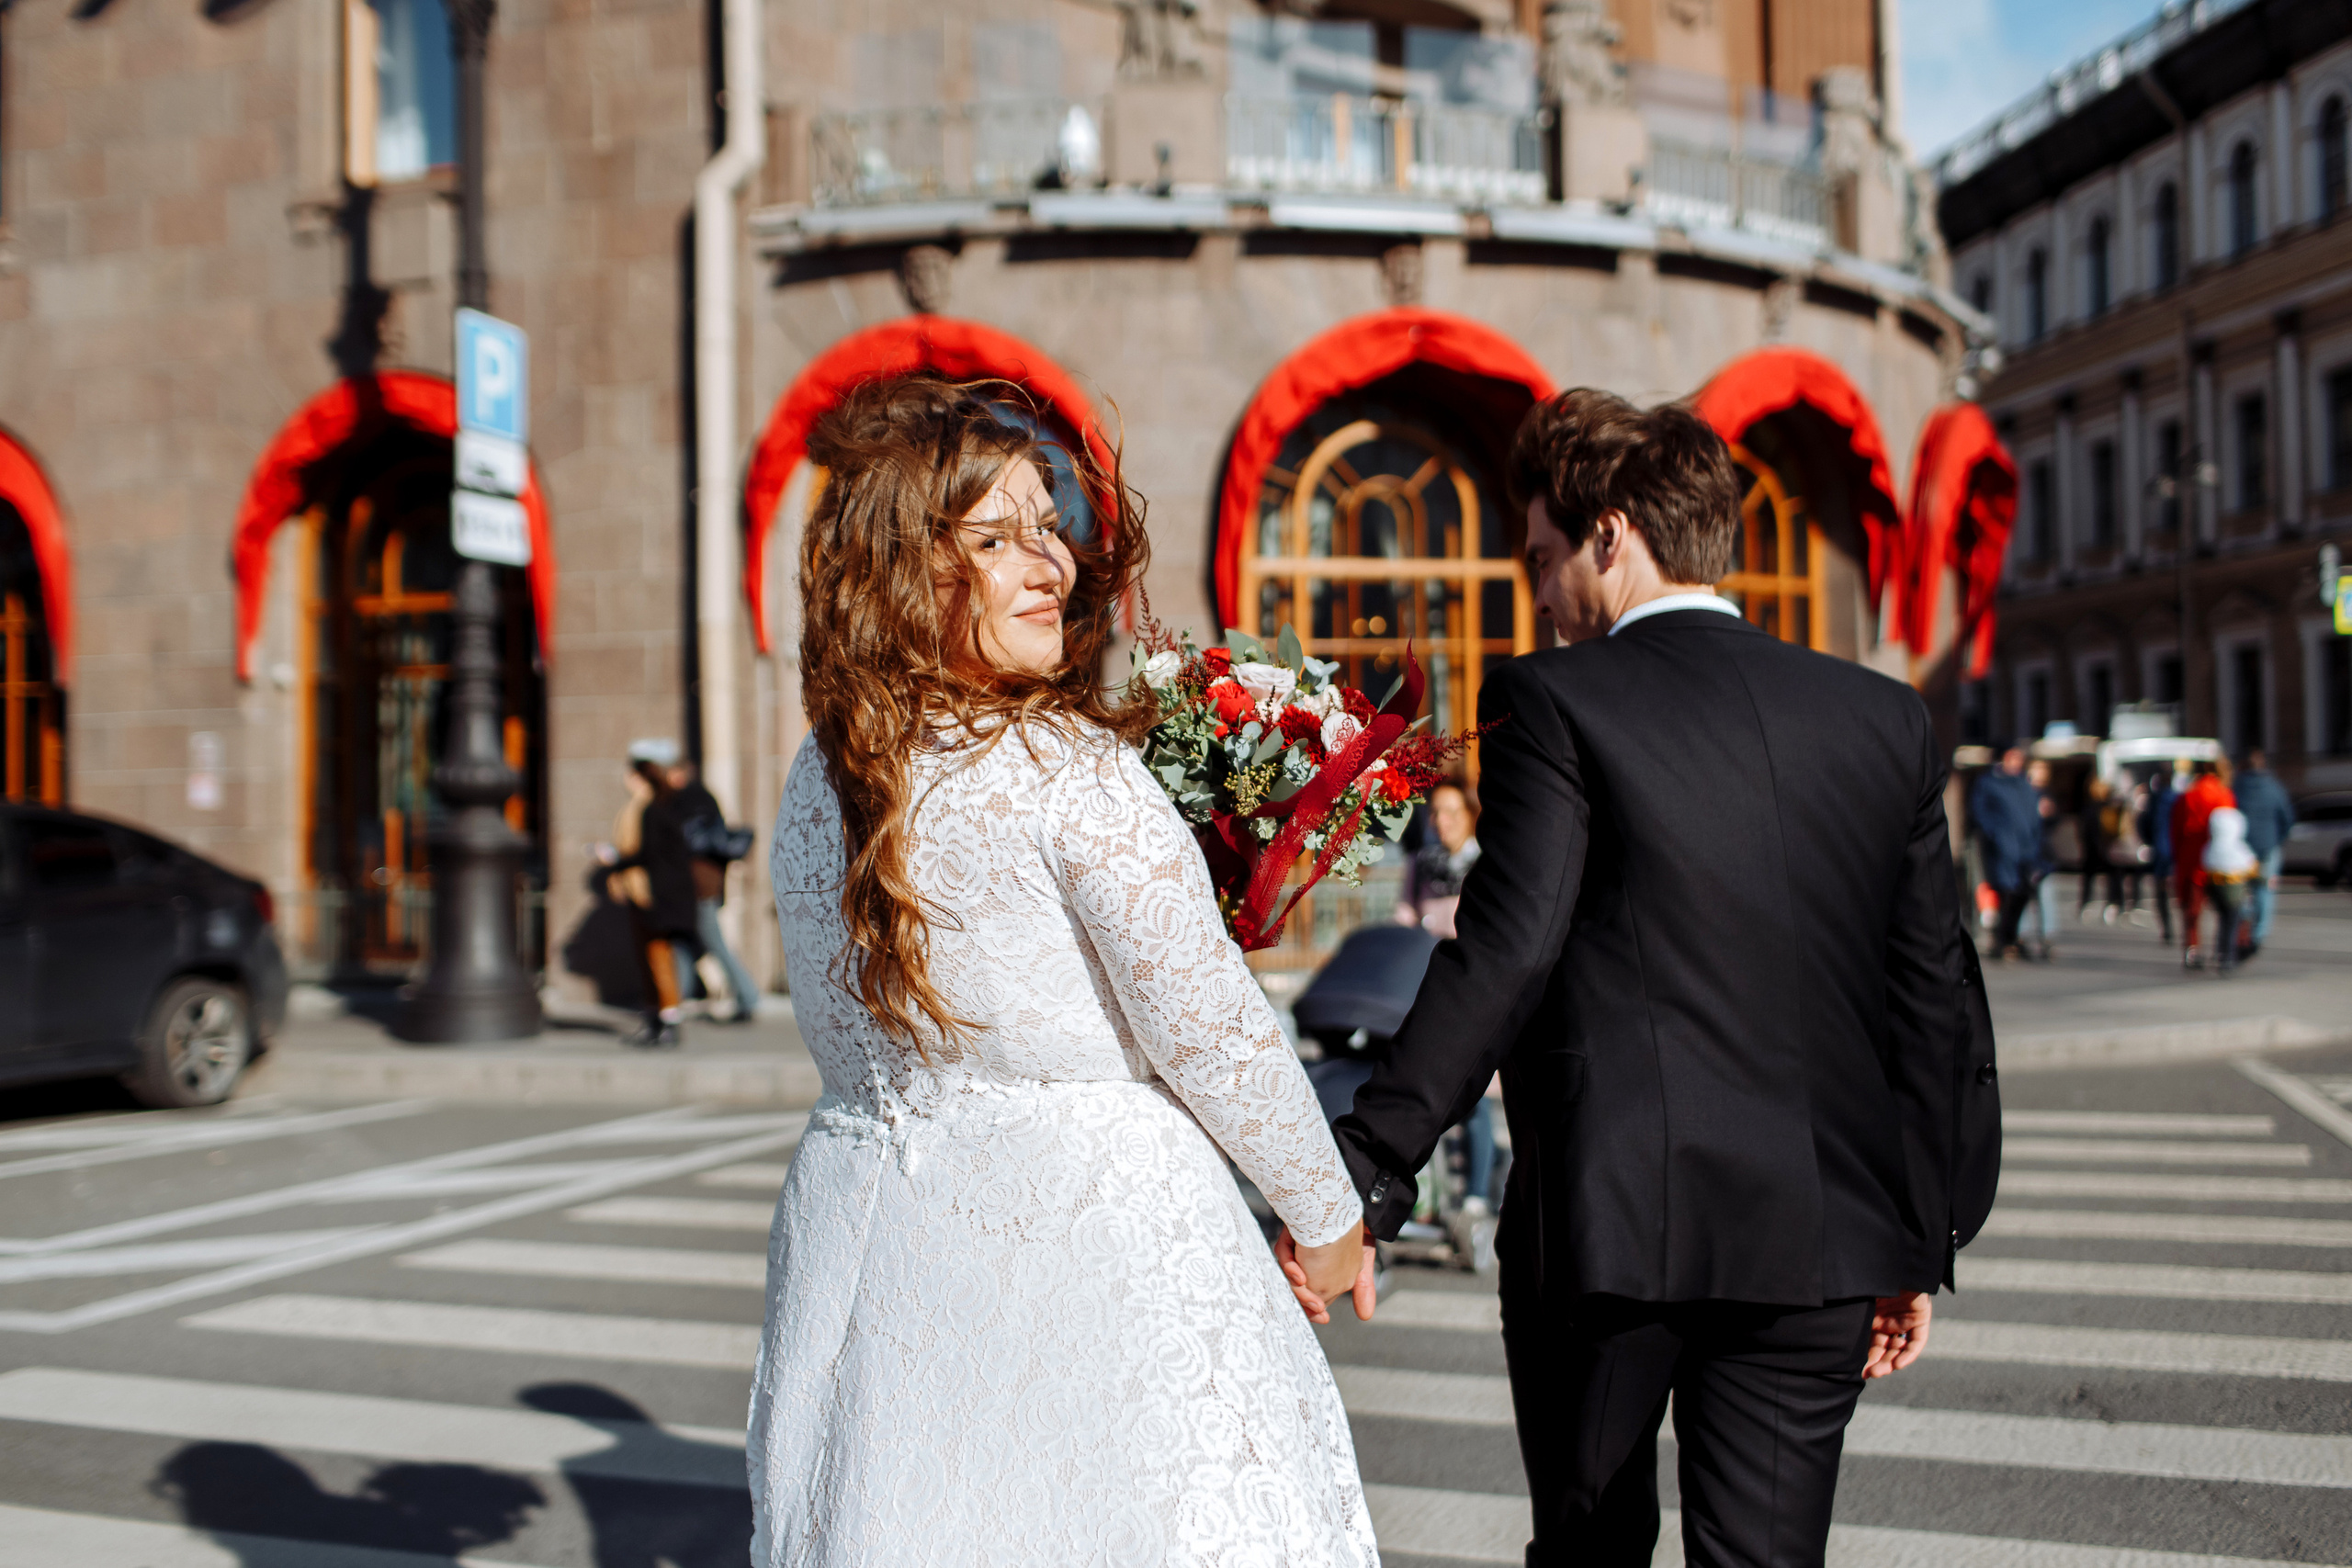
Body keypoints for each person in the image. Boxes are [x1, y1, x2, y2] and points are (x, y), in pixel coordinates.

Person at [1322, 389, 2000, 1568]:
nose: (1539, 594)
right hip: (1820, 1242)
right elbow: (1931, 994)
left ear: (1612, 535)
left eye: (1542, 558)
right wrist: (1918, 1232)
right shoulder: (1883, 719)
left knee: (1590, 1552)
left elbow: (1508, 950)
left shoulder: (1552, 698)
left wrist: (1367, 1167)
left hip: (1609, 1232)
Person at [750, 375, 1377, 1566]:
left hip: (868, 1241)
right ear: (900, 568)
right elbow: (1213, 1030)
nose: (1049, 564)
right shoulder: (1063, 767)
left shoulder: (820, 772)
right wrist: (1327, 1213)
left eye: (1048, 526)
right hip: (1088, 1258)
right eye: (992, 539)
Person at [1393, 779, 1499, 1221]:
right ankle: (1427, 1197)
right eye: (1435, 812)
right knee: (1426, 1095)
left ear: (1470, 814)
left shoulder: (1488, 862)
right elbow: (1404, 918)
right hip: (1426, 990)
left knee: (1472, 1096)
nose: (1442, 821)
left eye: (1452, 811)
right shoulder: (1422, 864)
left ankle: (1476, 1193)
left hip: (1472, 992)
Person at [598, 741, 695, 1049]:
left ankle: (668, 1021)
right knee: (650, 960)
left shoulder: (649, 809)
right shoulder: (646, 807)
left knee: (659, 959)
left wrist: (615, 860)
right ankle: (657, 1021)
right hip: (646, 892)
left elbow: (645, 852)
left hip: (653, 894)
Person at [664, 760, 760, 1021]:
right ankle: (675, 1002)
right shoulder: (700, 799)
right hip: (700, 884)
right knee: (682, 941)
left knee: (711, 940)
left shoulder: (690, 800)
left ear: (680, 774)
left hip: (698, 886)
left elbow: (686, 842)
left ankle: (748, 995)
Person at [1971, 744, 2043, 960]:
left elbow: (2032, 815)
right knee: (2005, 894)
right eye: (2013, 757)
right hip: (2002, 849)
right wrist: (1996, 835)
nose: (2017, 762)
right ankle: (2002, 940)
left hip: (2026, 849)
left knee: (2024, 894)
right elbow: (1980, 813)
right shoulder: (1989, 783)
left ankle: (2012, 937)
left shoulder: (2023, 783)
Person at [2171, 759, 2235, 969]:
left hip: (2191, 859)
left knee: (2192, 911)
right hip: (2219, 861)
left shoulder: (2188, 795)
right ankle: (2224, 951)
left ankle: (2192, 949)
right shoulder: (2224, 794)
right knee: (2226, 908)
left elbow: (2176, 831)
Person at [2233, 748, 2296, 959]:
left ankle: (2244, 925)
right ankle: (2258, 935)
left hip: (2242, 848)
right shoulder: (2274, 787)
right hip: (2268, 847)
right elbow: (2287, 819)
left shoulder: (2237, 787)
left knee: (2242, 892)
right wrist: (2276, 840)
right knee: (2264, 892)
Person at [2201, 805, 2260, 975]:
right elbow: (2251, 866)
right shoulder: (2237, 847)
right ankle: (2227, 956)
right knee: (2231, 923)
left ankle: (2219, 952)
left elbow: (2205, 863)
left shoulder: (2211, 847)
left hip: (2215, 891)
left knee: (2222, 922)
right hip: (2234, 894)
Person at [2142, 767, 2178, 942]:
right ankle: (2185, 930)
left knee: (2161, 892)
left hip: (2159, 851)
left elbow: (2143, 823)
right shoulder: (2178, 799)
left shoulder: (2154, 800)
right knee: (2178, 892)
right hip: (2176, 852)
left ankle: (2167, 927)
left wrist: (2149, 841)